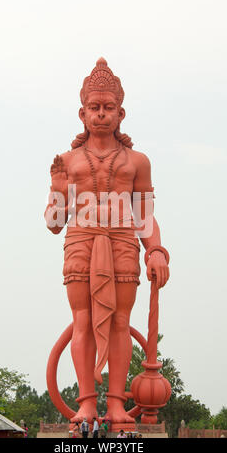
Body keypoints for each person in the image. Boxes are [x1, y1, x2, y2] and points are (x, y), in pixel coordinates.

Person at [45, 58, 170, 423]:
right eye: (94, 108)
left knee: (120, 321)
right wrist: (57, 190)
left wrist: (156, 251)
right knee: (82, 320)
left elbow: (144, 215)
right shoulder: (67, 161)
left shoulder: (138, 162)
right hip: (81, 241)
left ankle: (115, 403)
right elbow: (54, 224)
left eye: (108, 108)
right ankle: (86, 403)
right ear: (82, 114)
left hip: (123, 243)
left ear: (121, 113)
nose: (101, 114)